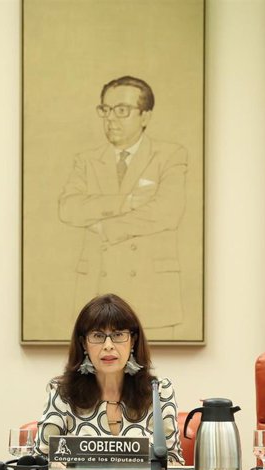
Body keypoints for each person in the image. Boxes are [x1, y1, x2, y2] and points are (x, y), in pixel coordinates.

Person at [59, 76, 188, 339]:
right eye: (105, 110)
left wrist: (104, 226)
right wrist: (125, 201)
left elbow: (166, 212)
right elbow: (69, 208)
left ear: (145, 116)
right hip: (96, 287)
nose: (111, 119)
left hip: (151, 290)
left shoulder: (170, 155)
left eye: (121, 110)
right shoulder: (86, 160)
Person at [34, 293, 184, 464]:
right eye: (97, 336)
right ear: (84, 343)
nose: (108, 346)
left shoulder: (158, 392)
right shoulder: (63, 392)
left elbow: (173, 462)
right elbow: (41, 459)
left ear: (133, 341)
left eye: (118, 335)